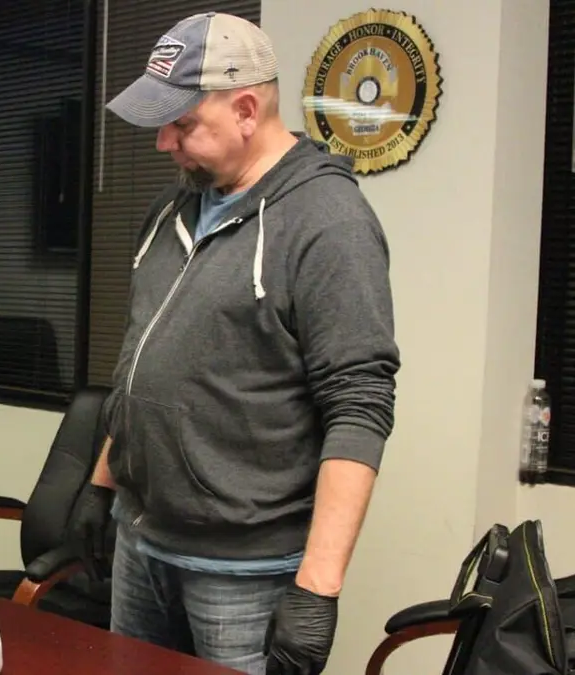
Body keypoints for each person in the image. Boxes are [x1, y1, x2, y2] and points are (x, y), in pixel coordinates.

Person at [66, 12, 400, 675]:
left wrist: (317, 588)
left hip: (243, 574)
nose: (163, 142)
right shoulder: (171, 210)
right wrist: (102, 485)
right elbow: (143, 363)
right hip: (141, 544)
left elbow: (359, 404)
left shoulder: (328, 222)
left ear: (246, 110)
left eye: (181, 123)